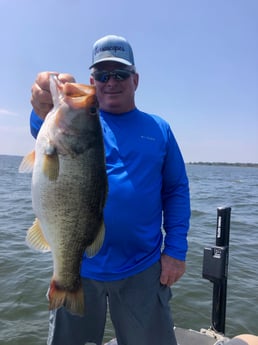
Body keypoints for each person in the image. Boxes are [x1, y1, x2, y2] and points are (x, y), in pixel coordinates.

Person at [30, 35, 191, 345]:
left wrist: (176, 250)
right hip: (80, 264)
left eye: (120, 73)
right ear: (93, 81)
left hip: (143, 267)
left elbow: (176, 190)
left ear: (136, 79)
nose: (111, 82)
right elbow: (42, 125)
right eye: (102, 75)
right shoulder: (76, 120)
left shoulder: (159, 129)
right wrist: (41, 103)